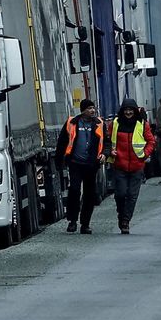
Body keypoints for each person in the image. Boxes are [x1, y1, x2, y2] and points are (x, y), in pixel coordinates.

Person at [107, 98, 157, 234]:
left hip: (137, 166)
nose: (128, 112)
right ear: (122, 111)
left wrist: (143, 155)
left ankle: (125, 221)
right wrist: (109, 151)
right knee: (120, 194)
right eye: (126, 110)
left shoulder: (142, 124)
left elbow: (151, 141)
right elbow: (106, 140)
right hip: (119, 165)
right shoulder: (115, 124)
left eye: (130, 110)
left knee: (132, 195)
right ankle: (121, 214)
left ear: (135, 111)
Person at [54, 99, 103, 234]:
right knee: (74, 191)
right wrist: (59, 162)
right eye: (89, 108)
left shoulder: (99, 124)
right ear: (82, 110)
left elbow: (107, 142)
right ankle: (72, 221)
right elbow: (62, 142)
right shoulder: (72, 123)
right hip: (75, 163)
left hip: (91, 165)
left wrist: (105, 153)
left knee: (89, 195)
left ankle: (85, 224)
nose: (92, 111)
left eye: (93, 108)